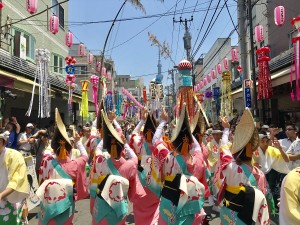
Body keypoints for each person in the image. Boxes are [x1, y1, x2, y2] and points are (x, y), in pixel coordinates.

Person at [214, 109, 270, 225]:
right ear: (252, 151)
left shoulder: (230, 166)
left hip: (228, 215)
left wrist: (226, 129)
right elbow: (261, 202)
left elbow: (223, 148)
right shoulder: (259, 175)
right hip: (246, 218)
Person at [90, 109, 144, 225]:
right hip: (118, 211)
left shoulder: (100, 161)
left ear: (108, 148)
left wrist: (107, 136)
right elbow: (134, 157)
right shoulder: (130, 165)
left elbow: (98, 149)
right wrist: (124, 143)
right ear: (122, 149)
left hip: (100, 210)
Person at [36, 108, 89, 225]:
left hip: (48, 203)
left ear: (54, 146)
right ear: (70, 149)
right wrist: (78, 142)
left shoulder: (46, 160)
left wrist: (53, 141)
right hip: (66, 204)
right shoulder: (75, 164)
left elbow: (48, 151)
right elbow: (85, 157)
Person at [158, 105, 205, 225]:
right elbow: (198, 148)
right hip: (188, 202)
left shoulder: (166, 156)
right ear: (189, 143)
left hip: (168, 201)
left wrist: (163, 122)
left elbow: (155, 140)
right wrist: (190, 135)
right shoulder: (195, 161)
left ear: (173, 143)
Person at [129, 108, 163, 225]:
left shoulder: (139, 143)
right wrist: (161, 123)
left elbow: (132, 135)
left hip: (140, 181)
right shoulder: (159, 146)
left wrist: (142, 121)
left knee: (139, 208)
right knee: (155, 207)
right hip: (155, 180)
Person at [0, 130, 29, 224]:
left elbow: (16, 180)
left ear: (3, 142)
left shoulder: (14, 155)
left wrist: (1, 195)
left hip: (12, 197)